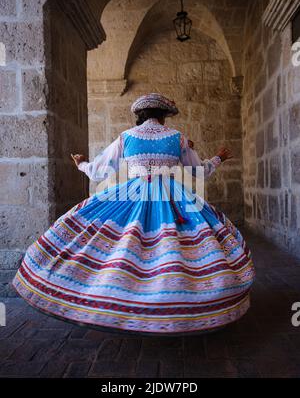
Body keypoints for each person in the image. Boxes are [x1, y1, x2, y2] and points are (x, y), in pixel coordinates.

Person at [13, 93, 255, 336]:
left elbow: (99, 172)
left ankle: (116, 297)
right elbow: (200, 172)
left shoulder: (126, 137)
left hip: (132, 192)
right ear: (163, 116)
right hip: (171, 195)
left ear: (140, 116)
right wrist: (218, 158)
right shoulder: (178, 138)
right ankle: (176, 302)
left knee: (125, 240)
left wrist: (82, 164)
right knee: (179, 243)